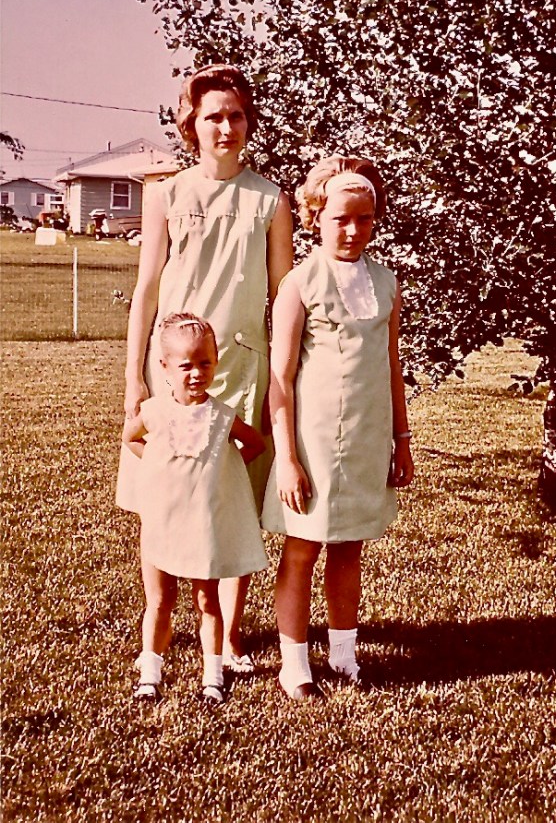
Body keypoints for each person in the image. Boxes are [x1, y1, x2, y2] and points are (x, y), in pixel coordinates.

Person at [116, 64, 293, 672]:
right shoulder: (165, 194)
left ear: (249, 122)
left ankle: (232, 634)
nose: (225, 126)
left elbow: (283, 294)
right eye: (213, 115)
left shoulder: (270, 199)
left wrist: (288, 377)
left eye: (236, 115)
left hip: (240, 366)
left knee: (231, 498)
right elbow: (146, 290)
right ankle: (159, 625)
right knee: (164, 490)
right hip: (172, 364)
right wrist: (135, 377)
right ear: (190, 123)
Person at [261, 155, 414, 700]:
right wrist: (287, 458)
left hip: (369, 440)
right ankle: (294, 663)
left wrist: (401, 440)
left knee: (349, 546)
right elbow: (279, 378)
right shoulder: (301, 283)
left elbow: (392, 366)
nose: (352, 231)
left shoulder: (386, 281)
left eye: (363, 220)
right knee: (303, 548)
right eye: (340, 219)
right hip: (313, 441)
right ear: (316, 217)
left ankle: (344, 655)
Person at [123, 314, 268, 703]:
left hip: (203, 526)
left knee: (208, 602)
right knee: (159, 600)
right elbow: (131, 438)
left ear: (216, 362)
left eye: (205, 363)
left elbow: (254, 444)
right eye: (185, 365)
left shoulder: (222, 416)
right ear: (165, 367)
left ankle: (212, 674)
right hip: (162, 521)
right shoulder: (153, 411)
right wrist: (154, 461)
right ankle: (150, 672)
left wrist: (225, 471)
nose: (195, 373)